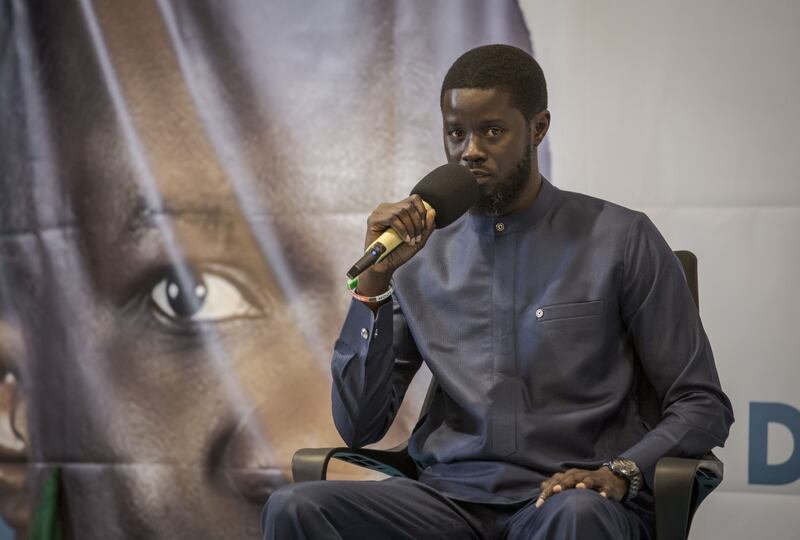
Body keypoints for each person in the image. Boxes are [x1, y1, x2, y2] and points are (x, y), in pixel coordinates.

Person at [261, 44, 734, 539]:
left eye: (491, 131)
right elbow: (360, 427)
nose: (470, 150)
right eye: (456, 133)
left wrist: (621, 473)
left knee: (576, 516)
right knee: (295, 508)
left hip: (569, 498)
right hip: (447, 500)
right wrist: (374, 286)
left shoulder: (620, 238)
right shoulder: (419, 256)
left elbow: (702, 403)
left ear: (538, 128)